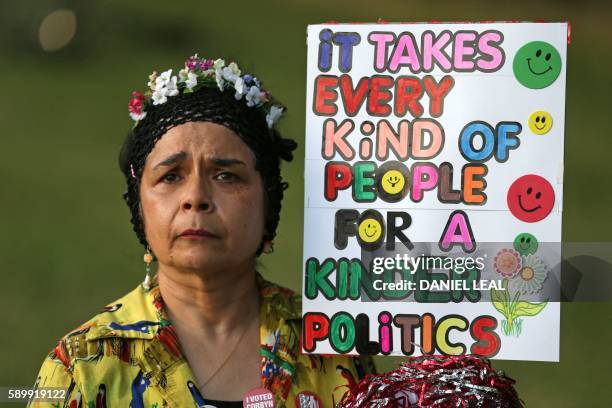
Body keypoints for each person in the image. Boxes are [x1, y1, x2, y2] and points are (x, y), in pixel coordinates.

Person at [28, 55, 375, 408]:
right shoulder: (82, 366)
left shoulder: (334, 345)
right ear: (140, 206)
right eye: (171, 176)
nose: (196, 197)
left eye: (226, 175)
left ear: (268, 200)